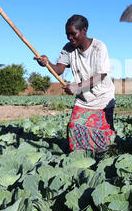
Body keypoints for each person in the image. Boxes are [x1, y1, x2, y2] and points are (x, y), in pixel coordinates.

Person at [34, 14, 116, 153]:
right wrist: (47, 64)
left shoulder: (98, 47)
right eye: (67, 35)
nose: (70, 38)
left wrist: (78, 87)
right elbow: (59, 70)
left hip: (102, 97)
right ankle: (80, 155)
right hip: (83, 99)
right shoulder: (68, 48)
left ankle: (106, 154)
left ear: (84, 30)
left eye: (73, 34)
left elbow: (101, 75)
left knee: (103, 132)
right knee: (73, 127)